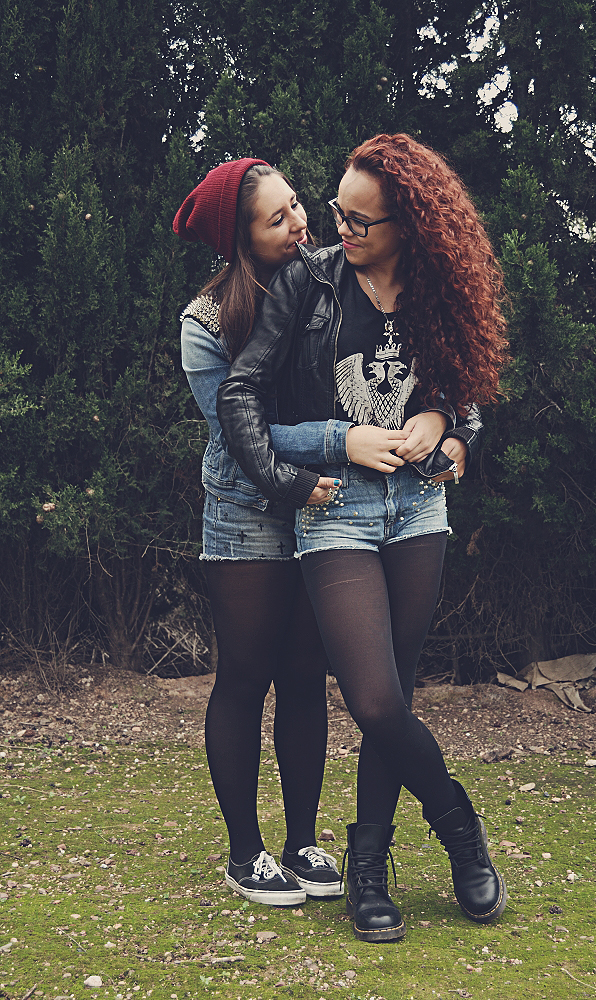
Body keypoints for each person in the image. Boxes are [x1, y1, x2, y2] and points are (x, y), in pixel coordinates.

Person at [218, 134, 510, 940]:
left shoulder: (439, 287)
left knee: (396, 695)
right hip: (336, 507)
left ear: (409, 225)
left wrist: (451, 428)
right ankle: (460, 829)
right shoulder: (307, 283)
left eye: (360, 221)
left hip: (417, 506)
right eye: (338, 212)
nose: (338, 230)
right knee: (373, 699)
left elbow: (468, 389)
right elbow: (241, 397)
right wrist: (303, 468)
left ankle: (369, 868)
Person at [173, 159, 351, 905]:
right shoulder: (206, 323)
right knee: (246, 674)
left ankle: (301, 841)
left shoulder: (328, 284)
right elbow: (245, 433)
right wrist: (340, 442)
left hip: (319, 505)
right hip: (246, 509)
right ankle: (245, 852)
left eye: (297, 205)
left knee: (306, 675)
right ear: (240, 239)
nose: (300, 224)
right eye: (277, 219)